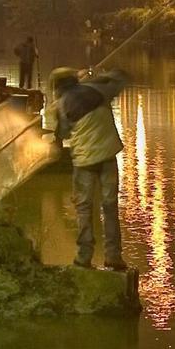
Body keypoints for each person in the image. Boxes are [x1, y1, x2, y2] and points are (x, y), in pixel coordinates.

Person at [47, 66, 129, 271]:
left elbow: (64, 134)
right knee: (110, 207)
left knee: (84, 208)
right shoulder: (98, 90)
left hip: (84, 162)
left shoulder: (61, 105)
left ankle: (84, 257)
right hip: (108, 156)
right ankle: (113, 257)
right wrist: (99, 77)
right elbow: (120, 78)